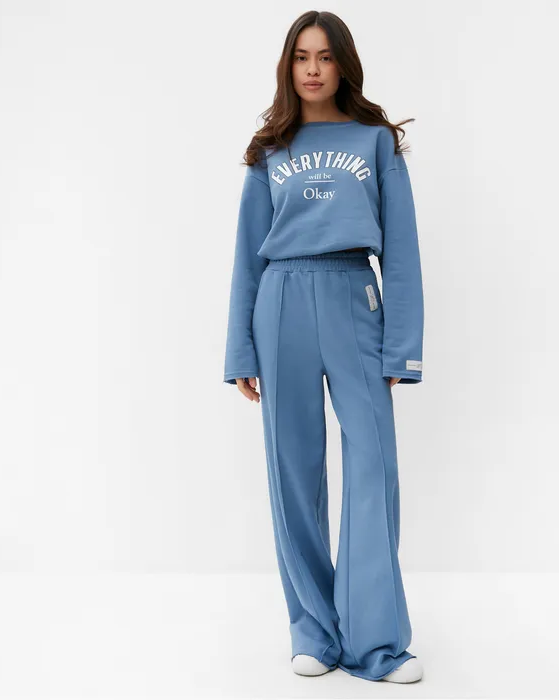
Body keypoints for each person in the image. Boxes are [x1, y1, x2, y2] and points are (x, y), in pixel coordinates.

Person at [222, 10, 424, 684]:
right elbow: (247, 254)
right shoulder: (269, 149)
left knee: (372, 466)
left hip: (352, 296)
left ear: (343, 64)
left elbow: (402, 252)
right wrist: (239, 350)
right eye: (302, 57)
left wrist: (402, 348)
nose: (313, 69)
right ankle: (313, 630)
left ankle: (376, 643)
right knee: (293, 470)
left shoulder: (375, 142)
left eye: (325, 56)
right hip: (280, 300)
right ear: (289, 66)